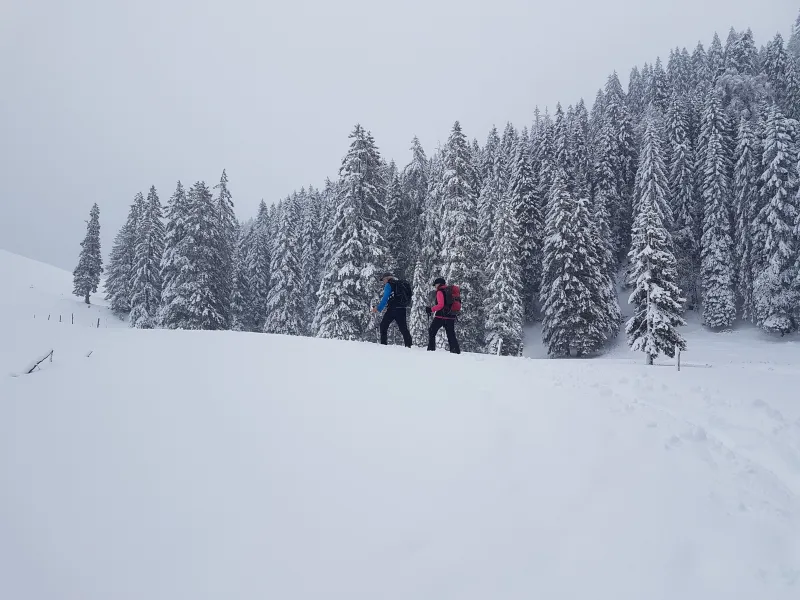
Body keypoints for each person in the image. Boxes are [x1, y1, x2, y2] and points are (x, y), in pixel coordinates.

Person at [371, 272, 413, 347]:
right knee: (403, 328)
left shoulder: (388, 285)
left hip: (392, 310)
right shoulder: (398, 284)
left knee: (383, 326)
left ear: (387, 278)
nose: (383, 282)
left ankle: (383, 346)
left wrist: (378, 308)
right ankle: (409, 345)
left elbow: (385, 298)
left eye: (383, 280)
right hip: (402, 309)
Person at [425, 277, 461, 354]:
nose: (435, 286)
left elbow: (440, 305)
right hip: (451, 316)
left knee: (432, 331)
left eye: (435, 285)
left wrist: (431, 309)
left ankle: (431, 350)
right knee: (451, 334)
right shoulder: (449, 291)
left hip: (441, 316)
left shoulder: (440, 292)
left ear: (438, 284)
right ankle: (455, 351)